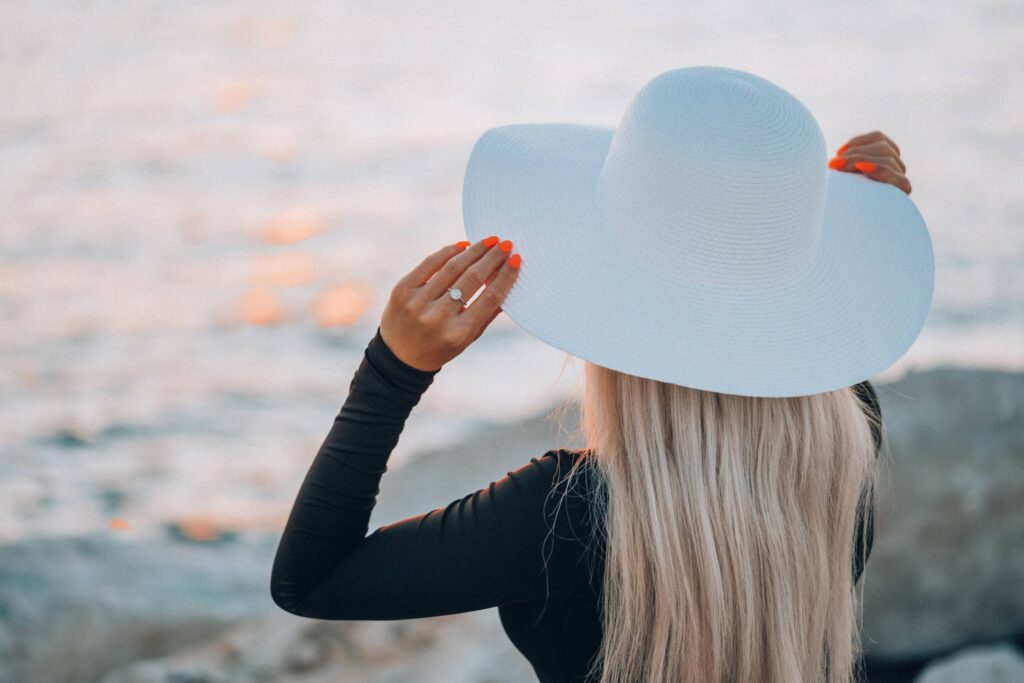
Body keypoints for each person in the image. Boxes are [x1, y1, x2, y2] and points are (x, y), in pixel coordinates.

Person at [271, 67, 933, 683]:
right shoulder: (847, 446)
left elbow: (310, 578)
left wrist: (393, 368)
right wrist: (805, 216)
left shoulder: (566, 510)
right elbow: (825, 364)